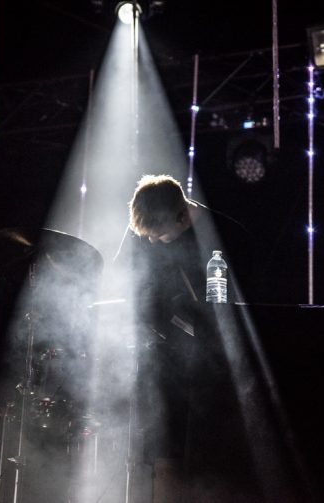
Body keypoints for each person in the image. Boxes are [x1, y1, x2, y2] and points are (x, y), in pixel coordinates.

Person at [114, 174, 256, 502]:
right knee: (163, 452)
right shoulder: (144, 231)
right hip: (163, 361)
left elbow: (236, 313)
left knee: (214, 456)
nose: (151, 242)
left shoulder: (227, 238)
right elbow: (124, 284)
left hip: (216, 369)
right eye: (146, 236)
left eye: (160, 235)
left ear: (182, 216)